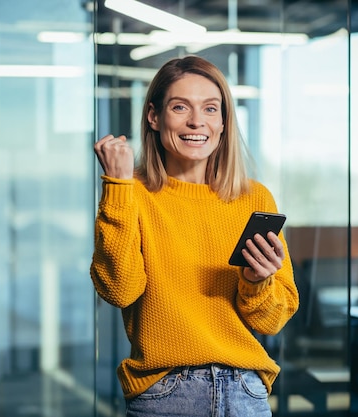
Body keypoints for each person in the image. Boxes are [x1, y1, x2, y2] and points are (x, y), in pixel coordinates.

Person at [90, 55, 298, 417]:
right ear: (154, 117)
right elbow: (119, 290)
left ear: (223, 122)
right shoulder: (130, 193)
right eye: (180, 106)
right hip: (165, 395)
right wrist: (117, 185)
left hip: (245, 392)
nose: (196, 121)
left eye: (210, 109)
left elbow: (271, 321)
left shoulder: (254, 198)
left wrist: (255, 282)